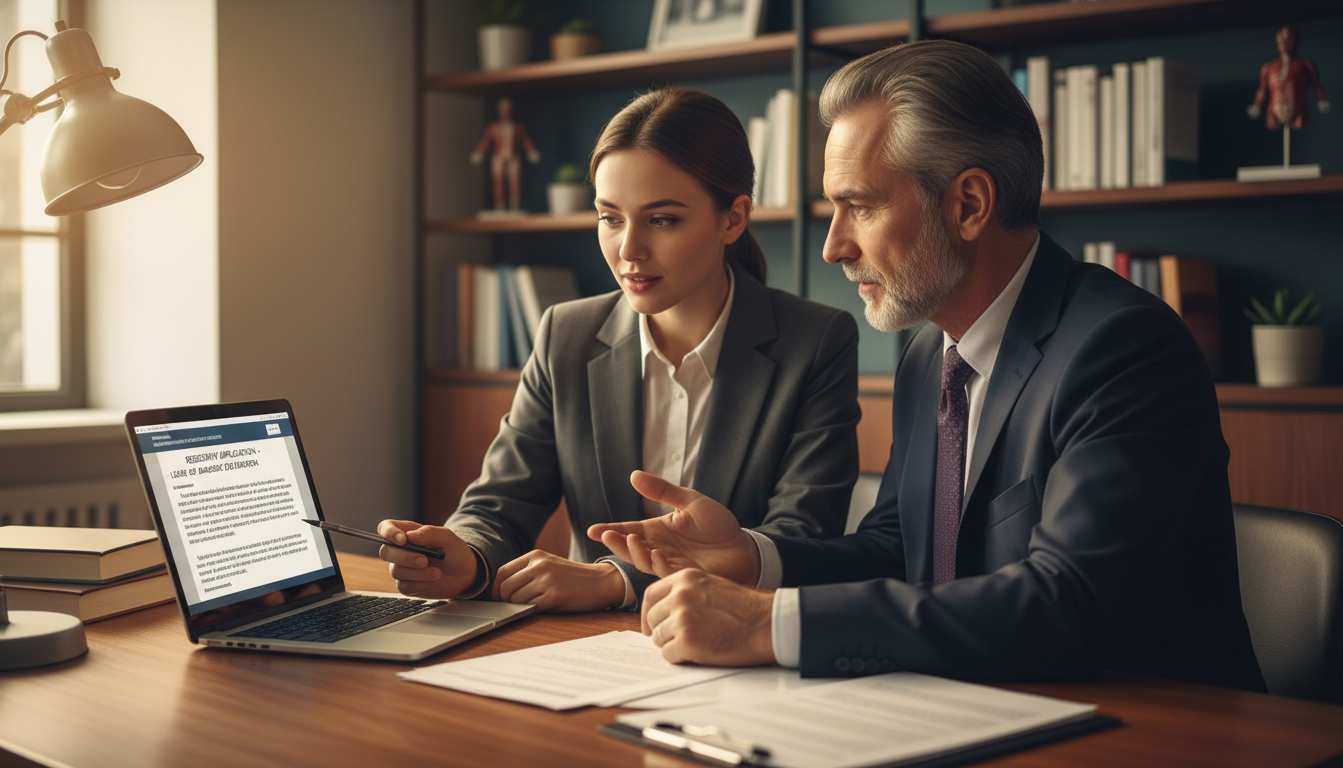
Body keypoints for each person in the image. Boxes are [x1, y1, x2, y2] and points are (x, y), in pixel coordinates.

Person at [591, 40, 1266, 692]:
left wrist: (772, 624)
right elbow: (900, 548)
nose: (832, 246)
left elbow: (1067, 604)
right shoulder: (928, 354)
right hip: (978, 708)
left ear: (968, 204)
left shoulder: (1124, 349)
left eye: (859, 205)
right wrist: (754, 559)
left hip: (1150, 732)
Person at [379, 87, 860, 613]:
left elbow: (802, 534)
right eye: (610, 218)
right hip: (584, 649)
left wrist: (617, 580)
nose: (629, 250)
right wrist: (466, 556)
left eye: (662, 219)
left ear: (733, 218)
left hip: (735, 640)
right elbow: (499, 504)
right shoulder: (566, 333)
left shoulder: (816, 341)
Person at [1248, 25, 1329, 131]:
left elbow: (1316, 84)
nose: (1284, 43)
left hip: (1298, 108)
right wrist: (1257, 105)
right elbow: (1262, 89)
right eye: (1281, 40)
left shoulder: (1306, 65)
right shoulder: (1268, 67)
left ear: (1296, 41)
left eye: (1288, 39)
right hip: (1274, 109)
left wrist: (1322, 100)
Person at [470, 97, 541, 212]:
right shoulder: (494, 127)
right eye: (503, 110)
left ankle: (514, 206)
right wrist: (479, 152)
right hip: (499, 156)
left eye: (507, 110)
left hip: (513, 157)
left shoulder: (516, 126)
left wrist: (531, 151)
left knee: (514, 182)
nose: (505, 112)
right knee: (498, 181)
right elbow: (486, 141)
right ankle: (500, 206)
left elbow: (525, 140)